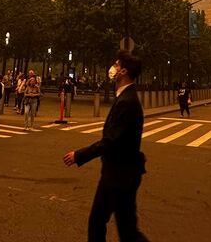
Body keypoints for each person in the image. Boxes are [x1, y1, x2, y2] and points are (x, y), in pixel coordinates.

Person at [64, 51, 149, 242]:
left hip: (120, 175)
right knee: (114, 226)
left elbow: (110, 141)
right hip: (119, 172)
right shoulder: (126, 97)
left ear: (124, 72)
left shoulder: (127, 101)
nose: (113, 68)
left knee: (115, 227)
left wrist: (79, 155)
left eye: (116, 65)